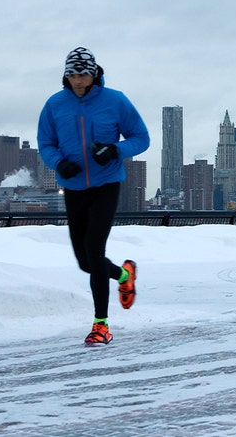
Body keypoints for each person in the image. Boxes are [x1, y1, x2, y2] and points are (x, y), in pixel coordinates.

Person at [38, 47, 150, 345]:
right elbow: (45, 143)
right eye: (72, 74)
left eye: (83, 74)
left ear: (94, 73)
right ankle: (125, 277)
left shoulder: (115, 100)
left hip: (106, 184)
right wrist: (59, 163)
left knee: (94, 250)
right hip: (73, 187)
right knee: (86, 262)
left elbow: (141, 138)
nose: (77, 80)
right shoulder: (54, 105)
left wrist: (116, 150)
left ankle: (101, 325)